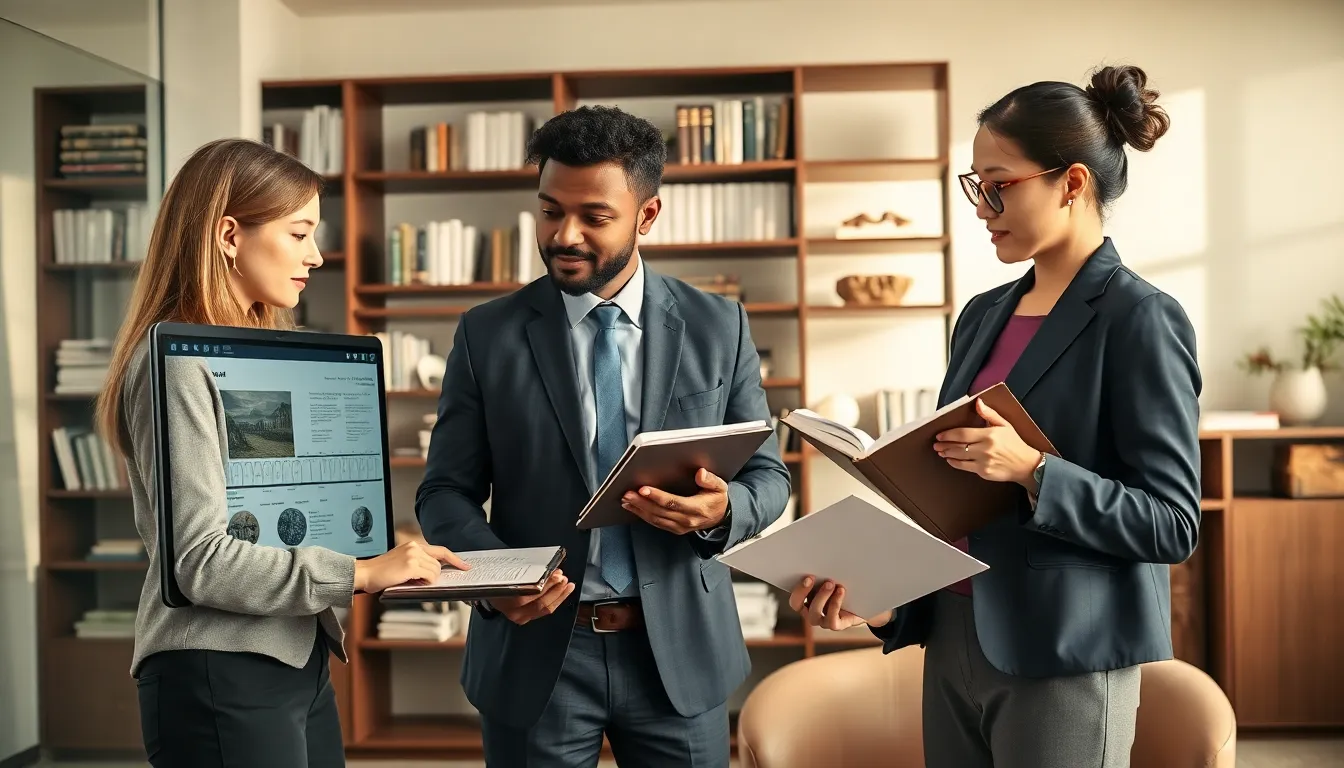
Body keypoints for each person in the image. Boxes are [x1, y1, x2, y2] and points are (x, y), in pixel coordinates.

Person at [787, 64, 1202, 768]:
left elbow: (1172, 524)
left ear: (1071, 183)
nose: (981, 205)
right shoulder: (982, 317)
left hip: (1065, 654)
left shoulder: (1141, 321)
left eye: (999, 183)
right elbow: (956, 506)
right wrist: (886, 603)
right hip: (953, 642)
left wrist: (1035, 471)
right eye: (975, 183)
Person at [416, 104, 791, 767]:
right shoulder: (486, 334)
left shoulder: (718, 325)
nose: (564, 235)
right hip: (537, 656)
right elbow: (445, 494)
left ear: (647, 217)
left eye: (594, 217)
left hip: (678, 653)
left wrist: (723, 509)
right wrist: (501, 578)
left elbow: (768, 477)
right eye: (550, 210)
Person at [95, 138, 469, 768]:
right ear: (229, 235)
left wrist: (386, 551)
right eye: (298, 234)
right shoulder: (181, 368)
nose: (316, 256)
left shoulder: (246, 354)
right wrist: (361, 573)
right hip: (217, 668)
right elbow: (201, 562)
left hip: (295, 651)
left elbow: (273, 517)